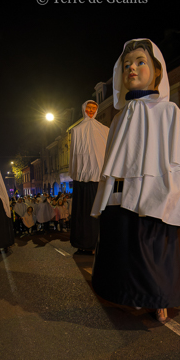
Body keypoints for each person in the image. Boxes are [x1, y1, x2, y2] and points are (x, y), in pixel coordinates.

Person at [91, 39, 180, 323]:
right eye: (127, 64)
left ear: (157, 71)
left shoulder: (169, 113)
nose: (132, 68)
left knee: (154, 254)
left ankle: (160, 301)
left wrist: (173, 198)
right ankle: (129, 297)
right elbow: (116, 167)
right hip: (123, 201)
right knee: (128, 253)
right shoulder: (119, 120)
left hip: (160, 202)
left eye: (140, 61)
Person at [69, 100, 109, 254]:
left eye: (94, 108)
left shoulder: (104, 130)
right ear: (83, 109)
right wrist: (76, 173)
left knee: (100, 212)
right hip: (82, 179)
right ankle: (84, 242)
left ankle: (100, 242)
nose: (91, 110)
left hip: (100, 178)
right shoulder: (77, 130)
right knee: (84, 212)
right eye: (88, 107)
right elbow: (74, 155)